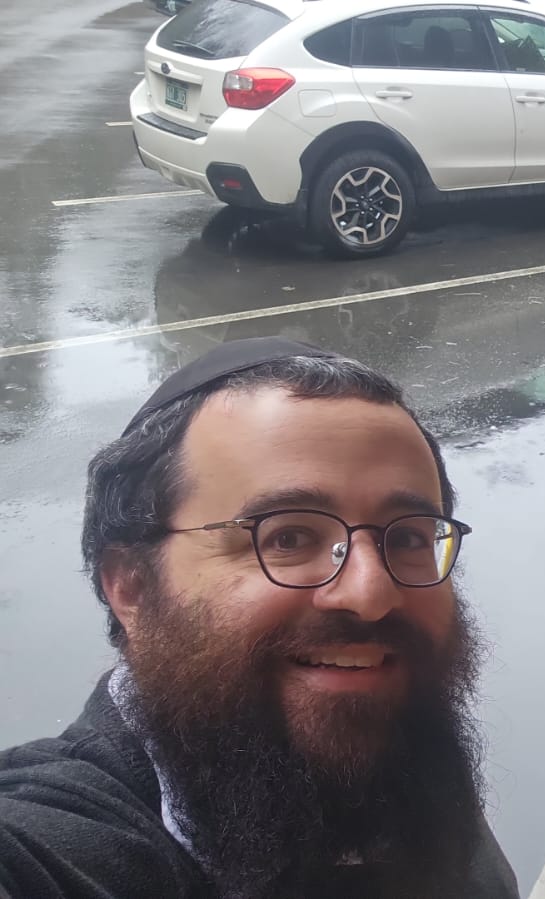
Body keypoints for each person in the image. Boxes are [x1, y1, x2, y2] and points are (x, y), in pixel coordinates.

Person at [0, 338, 518, 899]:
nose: (371, 594)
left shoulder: (408, 765)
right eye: (288, 537)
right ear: (131, 586)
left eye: (410, 538)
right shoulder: (56, 848)